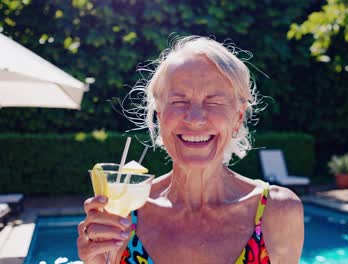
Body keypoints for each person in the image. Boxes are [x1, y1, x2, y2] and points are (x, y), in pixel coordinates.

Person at [77, 36, 304, 264]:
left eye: (213, 102)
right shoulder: (122, 214)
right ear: (160, 116)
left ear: (238, 118)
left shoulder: (277, 213)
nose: (195, 119)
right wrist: (95, 262)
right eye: (178, 101)